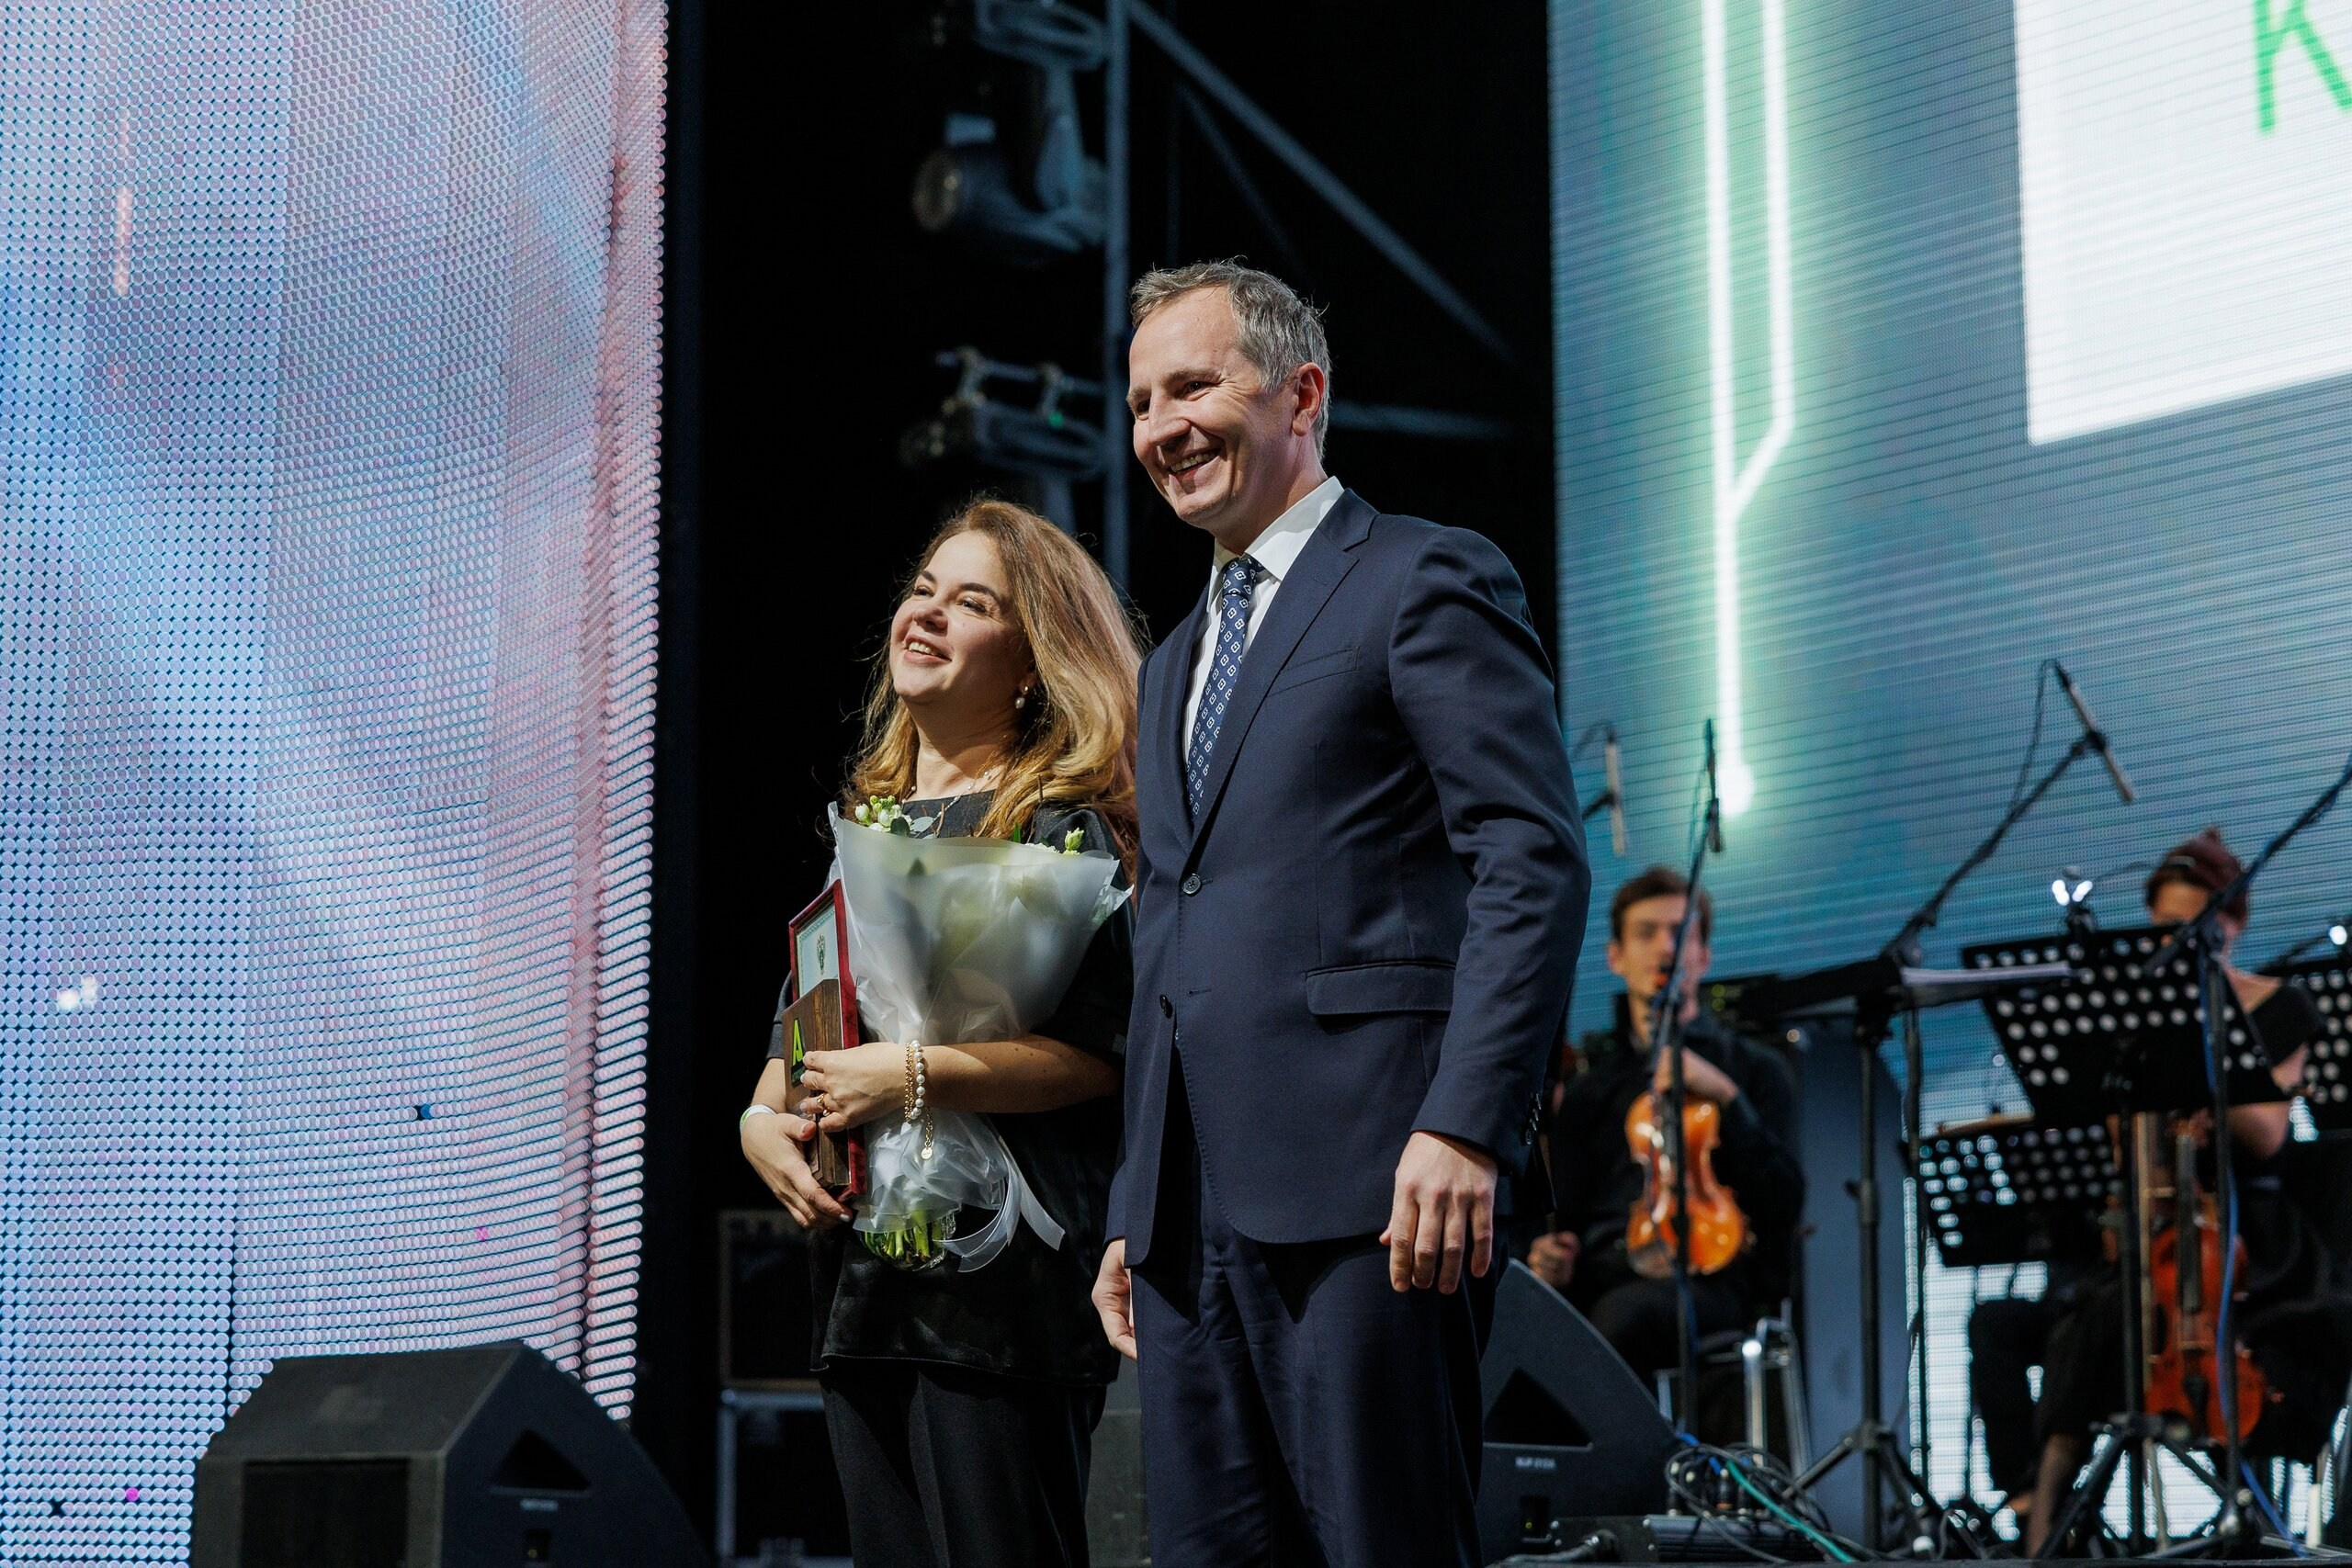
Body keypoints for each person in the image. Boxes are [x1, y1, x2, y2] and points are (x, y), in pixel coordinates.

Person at [1089, 260, 1589, 1568]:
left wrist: (1469, 1121)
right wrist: (1134, 1201)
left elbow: (1527, 858)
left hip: (1378, 1183)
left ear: (1301, 392)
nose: (1158, 427)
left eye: (1191, 384)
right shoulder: (1170, 660)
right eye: (1140, 400)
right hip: (1190, 1218)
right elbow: (1169, 929)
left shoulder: (1423, 577)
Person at [738, 499, 1143, 1568]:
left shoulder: (1059, 827)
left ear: (1028, 662)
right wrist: (757, 1117)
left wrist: (914, 1077)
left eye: (971, 603)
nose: (926, 615)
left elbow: (1105, 1056)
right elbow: (810, 1018)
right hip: (865, 1279)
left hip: (1003, 1300)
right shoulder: (864, 821)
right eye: (922, 590)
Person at [2023, 827, 2341, 1552]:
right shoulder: (2141, 1016)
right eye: (2164, 928)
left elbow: (2267, 1129)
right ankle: (2044, 1523)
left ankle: (2250, 1521)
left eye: (2191, 926)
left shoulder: (2280, 1006)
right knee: (2098, 1314)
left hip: (2256, 1235)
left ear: (2230, 925)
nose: (2175, 942)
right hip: (2167, 1226)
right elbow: (2123, 1151)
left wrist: (2201, 1076)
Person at [1532, 866, 1804, 1416]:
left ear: (1703, 955)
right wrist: (1548, 1254)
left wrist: (1726, 1097)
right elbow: (1562, 1212)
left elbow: (1783, 1201)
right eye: (1645, 932)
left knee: (1620, 1321)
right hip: (1604, 1274)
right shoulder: (1590, 1089)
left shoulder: (1754, 1071)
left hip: (1711, 1280)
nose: (1664, 949)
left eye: (1680, 934)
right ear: (1615, 956)